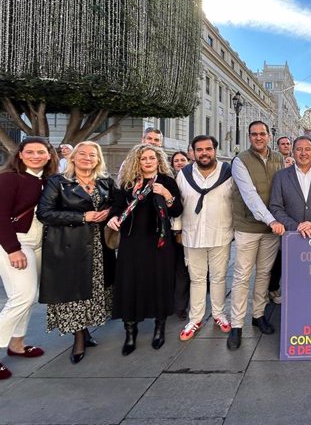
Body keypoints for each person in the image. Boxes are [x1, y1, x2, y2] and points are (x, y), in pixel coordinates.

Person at [38, 141, 115, 364]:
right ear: (72, 157)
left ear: (98, 159)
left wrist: (109, 210)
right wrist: (83, 217)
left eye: (92, 155)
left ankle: (87, 330)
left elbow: (115, 202)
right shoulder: (57, 182)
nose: (87, 158)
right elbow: (45, 213)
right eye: (82, 154)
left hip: (99, 247)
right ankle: (79, 336)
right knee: (72, 293)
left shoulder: (105, 181)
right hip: (68, 245)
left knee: (93, 290)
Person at [107, 145, 182, 354]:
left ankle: (160, 327)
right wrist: (113, 217)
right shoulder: (128, 183)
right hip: (132, 242)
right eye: (143, 159)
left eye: (151, 158)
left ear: (158, 160)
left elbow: (177, 209)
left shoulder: (167, 181)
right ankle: (130, 331)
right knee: (130, 283)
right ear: (136, 162)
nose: (148, 162)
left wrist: (167, 195)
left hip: (159, 241)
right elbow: (116, 206)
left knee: (159, 282)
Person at [0, 137, 58, 380]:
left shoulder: (48, 181)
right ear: (20, 155)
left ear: (49, 155)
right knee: (21, 297)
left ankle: (17, 344)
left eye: (41, 152)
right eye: (30, 152)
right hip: (15, 242)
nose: (36, 155)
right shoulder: (8, 178)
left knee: (29, 297)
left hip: (37, 243)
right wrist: (13, 249)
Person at [228, 122, 284, 350]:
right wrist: (271, 219)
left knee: (263, 273)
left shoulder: (279, 158)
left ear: (269, 136)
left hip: (272, 229)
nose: (259, 138)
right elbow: (249, 195)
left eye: (262, 134)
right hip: (249, 226)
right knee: (242, 275)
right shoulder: (240, 160)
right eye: (254, 134)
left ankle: (258, 314)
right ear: (249, 137)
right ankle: (236, 324)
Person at [176, 135, 234, 341]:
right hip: (192, 235)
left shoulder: (228, 173)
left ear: (215, 150)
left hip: (220, 233)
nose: (204, 153)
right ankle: (195, 318)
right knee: (197, 279)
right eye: (199, 149)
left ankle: (219, 314)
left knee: (218, 278)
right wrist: (177, 231)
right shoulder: (183, 174)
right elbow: (178, 204)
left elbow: (236, 202)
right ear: (192, 152)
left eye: (208, 149)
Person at [270, 135, 311, 238]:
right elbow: (276, 207)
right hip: (290, 236)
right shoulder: (280, 176)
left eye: (307, 149)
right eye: (299, 149)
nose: (303, 153)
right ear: (293, 152)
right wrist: (296, 226)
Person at [270, 136, 292, 305]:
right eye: (282, 144)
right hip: (278, 220)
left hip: (294, 222)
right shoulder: (275, 165)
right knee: (277, 257)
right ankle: (273, 288)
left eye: (287, 143)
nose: (285, 146)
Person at [169, 151, 191, 320]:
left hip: (185, 231)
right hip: (168, 232)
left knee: (183, 270)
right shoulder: (168, 179)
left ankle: (181, 306)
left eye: (182, 160)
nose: (179, 163)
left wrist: (180, 230)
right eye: (176, 160)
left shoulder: (190, 177)